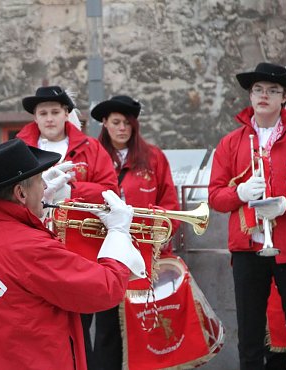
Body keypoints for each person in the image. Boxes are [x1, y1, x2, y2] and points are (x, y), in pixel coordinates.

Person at [0, 138, 146, 370]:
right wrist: (118, 232)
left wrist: (36, 214)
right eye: (39, 181)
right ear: (21, 193)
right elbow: (106, 288)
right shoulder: (29, 247)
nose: (44, 187)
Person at [16, 86, 119, 364]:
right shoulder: (19, 149)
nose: (49, 119)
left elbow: (110, 191)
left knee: (79, 324)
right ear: (35, 118)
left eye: (55, 112)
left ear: (66, 114)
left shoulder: (91, 147)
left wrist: (74, 191)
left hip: (78, 245)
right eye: (43, 113)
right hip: (32, 244)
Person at [209, 62, 286, 370]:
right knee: (250, 335)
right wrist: (240, 194)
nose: (263, 96)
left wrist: (285, 204)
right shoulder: (231, 142)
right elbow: (216, 197)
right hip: (248, 249)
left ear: (285, 97)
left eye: (272, 91)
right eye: (257, 89)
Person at [92, 95, 181, 369]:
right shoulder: (92, 155)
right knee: (106, 330)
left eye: (127, 123)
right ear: (104, 123)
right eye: (116, 122)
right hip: (103, 256)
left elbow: (170, 206)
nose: (122, 128)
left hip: (145, 259)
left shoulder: (154, 157)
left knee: (147, 329)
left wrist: (155, 238)